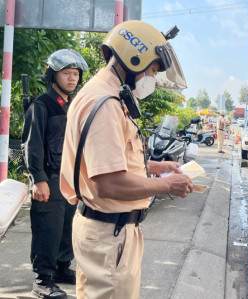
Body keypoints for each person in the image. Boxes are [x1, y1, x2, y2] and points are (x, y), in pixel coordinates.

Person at [59, 20, 193, 299]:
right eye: (153, 70)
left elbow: (110, 159)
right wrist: (167, 186)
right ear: (135, 59)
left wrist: (157, 167)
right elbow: (108, 183)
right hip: (110, 235)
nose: (152, 79)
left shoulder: (102, 94)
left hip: (102, 231)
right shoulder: (106, 103)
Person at [22, 49, 89, 299]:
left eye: (75, 74)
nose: (72, 78)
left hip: (69, 179)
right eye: (66, 73)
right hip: (49, 178)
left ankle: (62, 268)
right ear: (52, 75)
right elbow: (32, 144)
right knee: (47, 229)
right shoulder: (41, 105)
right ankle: (43, 280)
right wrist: (38, 179)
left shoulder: (73, 105)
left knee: (67, 228)